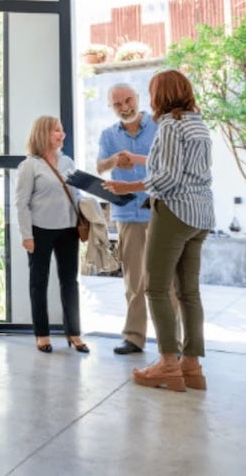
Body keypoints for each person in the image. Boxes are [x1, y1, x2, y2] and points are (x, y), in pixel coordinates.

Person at [104, 69, 214, 391]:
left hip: (174, 212)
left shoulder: (169, 125)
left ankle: (167, 364)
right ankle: (191, 366)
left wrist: (129, 187)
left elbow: (165, 179)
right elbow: (181, 169)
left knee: (154, 287)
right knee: (189, 292)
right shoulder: (198, 124)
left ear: (161, 94)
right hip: (200, 215)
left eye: (152, 91)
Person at [97, 83, 179, 355]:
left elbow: (167, 164)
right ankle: (134, 337)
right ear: (111, 107)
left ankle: (172, 342)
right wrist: (114, 161)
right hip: (126, 214)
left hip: (160, 211)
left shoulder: (159, 127)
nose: (124, 107)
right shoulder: (108, 135)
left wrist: (136, 160)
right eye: (117, 104)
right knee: (134, 281)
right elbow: (100, 166)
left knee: (166, 281)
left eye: (128, 100)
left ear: (137, 98)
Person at [15, 116, 90, 354]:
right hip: (40, 231)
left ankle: (74, 333)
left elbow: (76, 194)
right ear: (43, 134)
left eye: (62, 130)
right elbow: (21, 203)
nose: (62, 134)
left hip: (68, 229)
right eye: (57, 130)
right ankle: (42, 334)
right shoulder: (30, 165)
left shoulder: (67, 161)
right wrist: (27, 235)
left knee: (70, 282)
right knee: (39, 282)